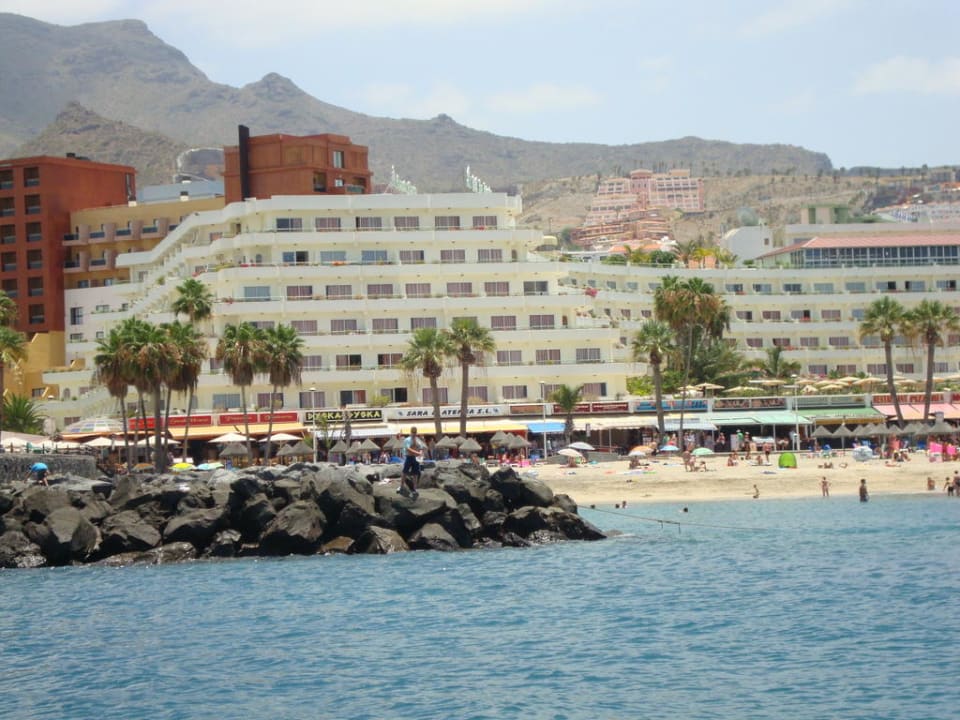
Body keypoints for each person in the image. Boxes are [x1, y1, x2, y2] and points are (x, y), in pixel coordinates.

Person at [400, 426, 426, 499]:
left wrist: (420, 453)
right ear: (410, 432)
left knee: (415, 474)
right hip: (409, 457)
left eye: (415, 432)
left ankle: (415, 489)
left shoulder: (418, 440)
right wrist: (418, 453)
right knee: (405, 472)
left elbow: (421, 448)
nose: (414, 434)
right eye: (413, 432)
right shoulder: (407, 440)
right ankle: (401, 486)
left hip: (416, 458)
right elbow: (408, 449)